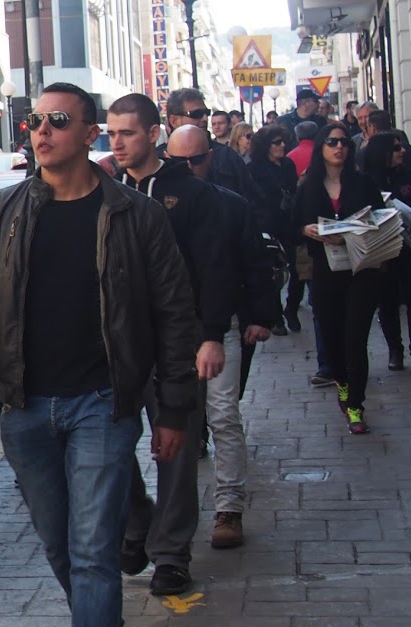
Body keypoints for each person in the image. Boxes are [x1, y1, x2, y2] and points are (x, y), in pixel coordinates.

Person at [0, 82, 198, 627]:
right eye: (34, 121)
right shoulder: (1, 212)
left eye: (57, 120)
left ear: (89, 133)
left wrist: (174, 409)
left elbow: (174, 315)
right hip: (25, 406)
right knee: (58, 543)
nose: (42, 131)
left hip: (103, 404)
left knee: (92, 546)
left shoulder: (137, 216)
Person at [108, 94, 233, 593]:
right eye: (111, 134)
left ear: (153, 134)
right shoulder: (103, 190)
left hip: (177, 342)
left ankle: (170, 554)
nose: (118, 143)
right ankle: (138, 521)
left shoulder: (192, 194)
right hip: (116, 345)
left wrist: (211, 336)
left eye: (128, 133)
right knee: (108, 444)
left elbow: (214, 267)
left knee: (176, 451)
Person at [169, 125, 282, 550]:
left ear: (210, 158)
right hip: (174, 329)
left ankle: (229, 507)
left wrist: (261, 316)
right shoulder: (155, 206)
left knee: (222, 415)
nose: (187, 168)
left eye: (195, 160)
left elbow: (254, 261)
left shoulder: (230, 205)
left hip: (222, 326)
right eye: (177, 161)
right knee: (179, 421)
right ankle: (175, 516)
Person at [297, 123, 386, 433]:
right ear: (321, 147)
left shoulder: (363, 183)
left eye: (344, 142)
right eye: (332, 142)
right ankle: (342, 382)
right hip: (326, 271)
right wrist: (306, 230)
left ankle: (356, 405)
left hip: (362, 270)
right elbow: (294, 223)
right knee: (332, 337)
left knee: (355, 338)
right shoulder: (309, 186)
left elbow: (380, 220)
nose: (339, 147)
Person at [363, 133, 411, 373]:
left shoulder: (410, 176)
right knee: (388, 302)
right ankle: (395, 351)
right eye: (396, 148)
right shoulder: (367, 182)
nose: (402, 151)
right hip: (385, 252)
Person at [247, 125, 303, 333]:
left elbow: (294, 190)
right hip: (267, 225)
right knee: (273, 272)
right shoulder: (254, 169)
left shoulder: (288, 164)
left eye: (283, 141)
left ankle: (291, 308)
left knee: (298, 270)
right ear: (266, 146)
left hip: (289, 223)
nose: (282, 145)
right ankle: (277, 316)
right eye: (277, 143)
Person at [164, 89, 248, 199]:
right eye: (196, 114)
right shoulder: (158, 160)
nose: (205, 119)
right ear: (174, 121)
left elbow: (252, 201)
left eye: (206, 113)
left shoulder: (227, 156)